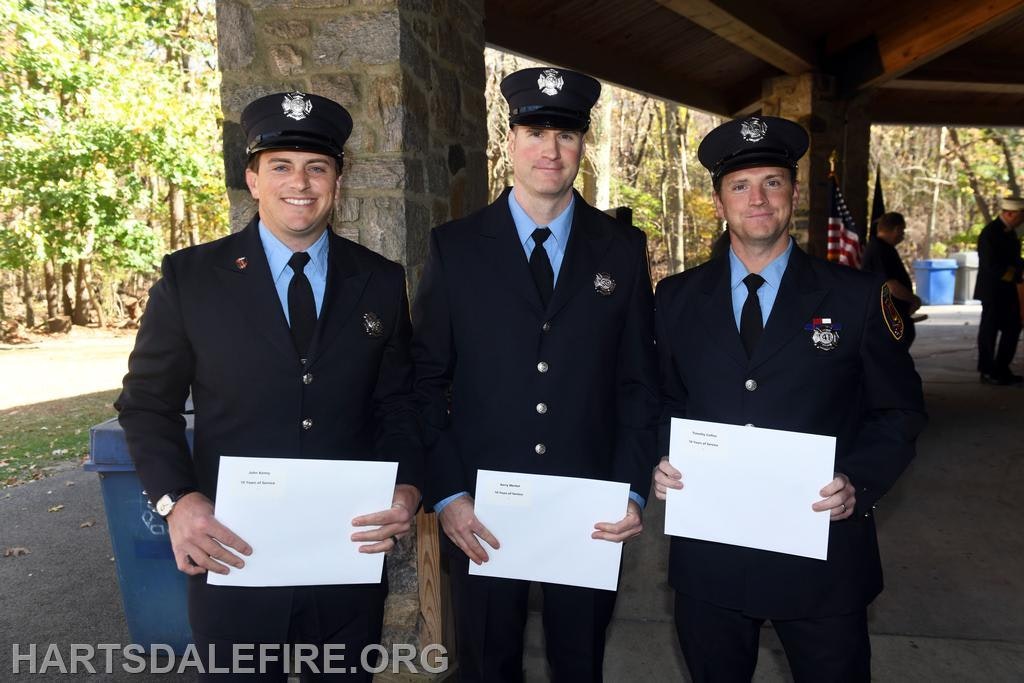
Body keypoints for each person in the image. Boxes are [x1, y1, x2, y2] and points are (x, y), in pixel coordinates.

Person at [116, 91, 423, 680]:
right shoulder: (192, 279)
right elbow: (145, 406)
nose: (299, 183)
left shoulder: (380, 282)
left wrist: (406, 486)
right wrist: (176, 502)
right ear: (252, 179)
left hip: (345, 565)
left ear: (338, 179)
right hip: (233, 557)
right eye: (280, 165)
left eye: (317, 166)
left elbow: (398, 403)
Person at [652, 115, 927, 682]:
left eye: (772, 182)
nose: (758, 198)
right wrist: (658, 456)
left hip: (823, 554)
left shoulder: (856, 298)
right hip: (712, 559)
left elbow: (898, 410)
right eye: (740, 185)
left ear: (793, 193)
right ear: (719, 200)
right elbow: (659, 398)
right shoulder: (676, 299)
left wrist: (859, 480)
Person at [411, 66, 659, 682]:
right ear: (511, 138)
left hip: (588, 511)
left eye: (568, 134)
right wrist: (446, 495)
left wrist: (630, 487)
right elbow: (425, 380)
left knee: (581, 664)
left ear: (582, 145)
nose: (551, 150)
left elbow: (638, 383)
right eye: (536, 132)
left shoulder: (621, 251)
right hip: (483, 515)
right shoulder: (457, 247)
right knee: (488, 666)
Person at [974, 196, 1024, 385]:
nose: (1022, 220)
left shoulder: (1010, 233)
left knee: (1013, 328)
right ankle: (987, 370)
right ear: (1010, 214)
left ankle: (1002, 368)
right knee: (989, 331)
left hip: (1008, 289)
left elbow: (1014, 259)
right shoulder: (990, 233)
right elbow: (991, 265)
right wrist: (1014, 273)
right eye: (1021, 216)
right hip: (993, 290)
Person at [860, 212, 922, 347]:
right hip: (885, 318)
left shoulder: (885, 248)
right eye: (902, 230)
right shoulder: (879, 250)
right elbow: (891, 285)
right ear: (896, 229)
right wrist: (913, 299)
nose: (902, 235)